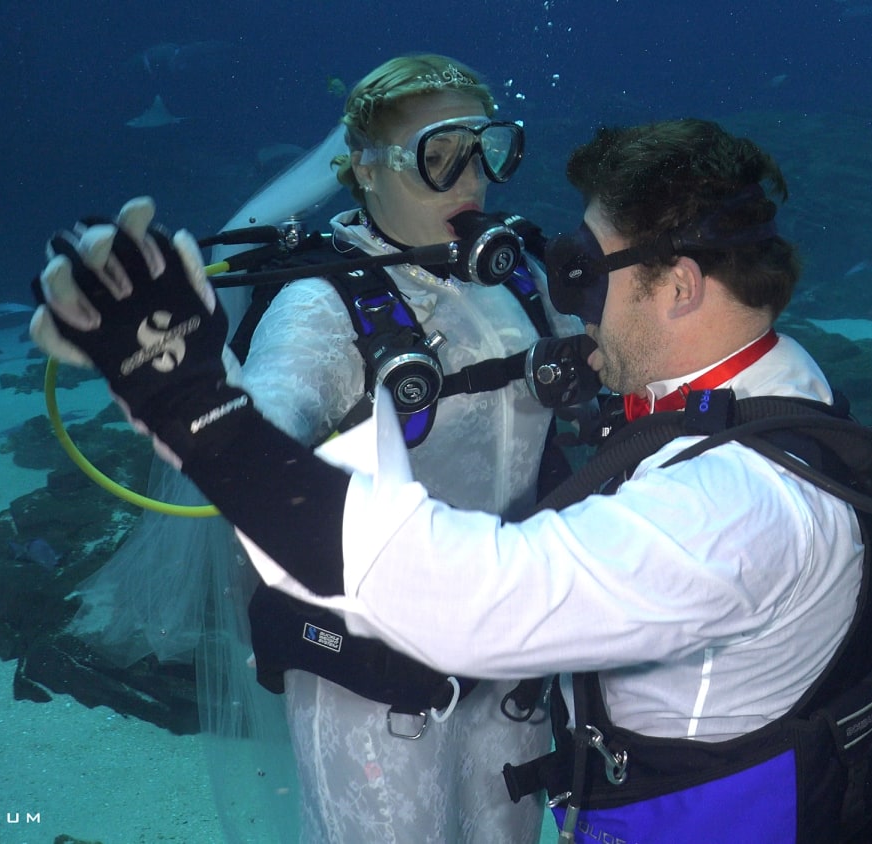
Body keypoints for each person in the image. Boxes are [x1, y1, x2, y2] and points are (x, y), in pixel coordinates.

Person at [32, 118, 872, 842]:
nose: (572, 301)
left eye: (588, 272)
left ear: (684, 285)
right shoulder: (781, 389)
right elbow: (291, 398)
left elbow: (475, 599)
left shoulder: (731, 509)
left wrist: (192, 403)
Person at [60, 54, 580, 843]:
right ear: (364, 172)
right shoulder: (321, 304)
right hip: (373, 691)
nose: (472, 178)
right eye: (442, 155)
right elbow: (260, 433)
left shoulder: (517, 282)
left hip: (512, 673)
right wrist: (195, 383)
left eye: (490, 149)